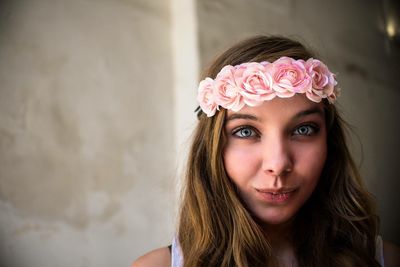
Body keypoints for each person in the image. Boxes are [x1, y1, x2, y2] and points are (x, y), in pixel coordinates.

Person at [132, 35, 400, 267]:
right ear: (212, 149)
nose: (278, 163)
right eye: (246, 131)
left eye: (304, 129)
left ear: (330, 141)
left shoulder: (383, 260)